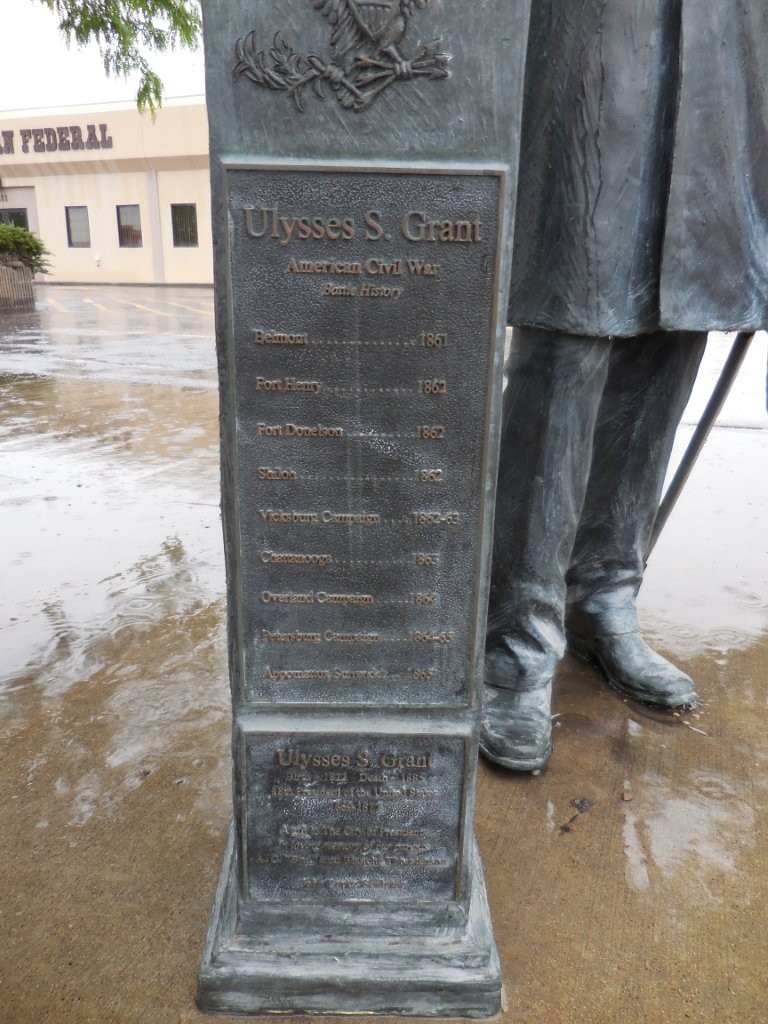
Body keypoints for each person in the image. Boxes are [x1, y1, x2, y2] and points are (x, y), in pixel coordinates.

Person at [482, 1, 768, 771]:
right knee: (569, 325)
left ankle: (605, 596)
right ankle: (517, 638)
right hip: (597, 37)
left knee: (674, 323)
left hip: (723, 52)